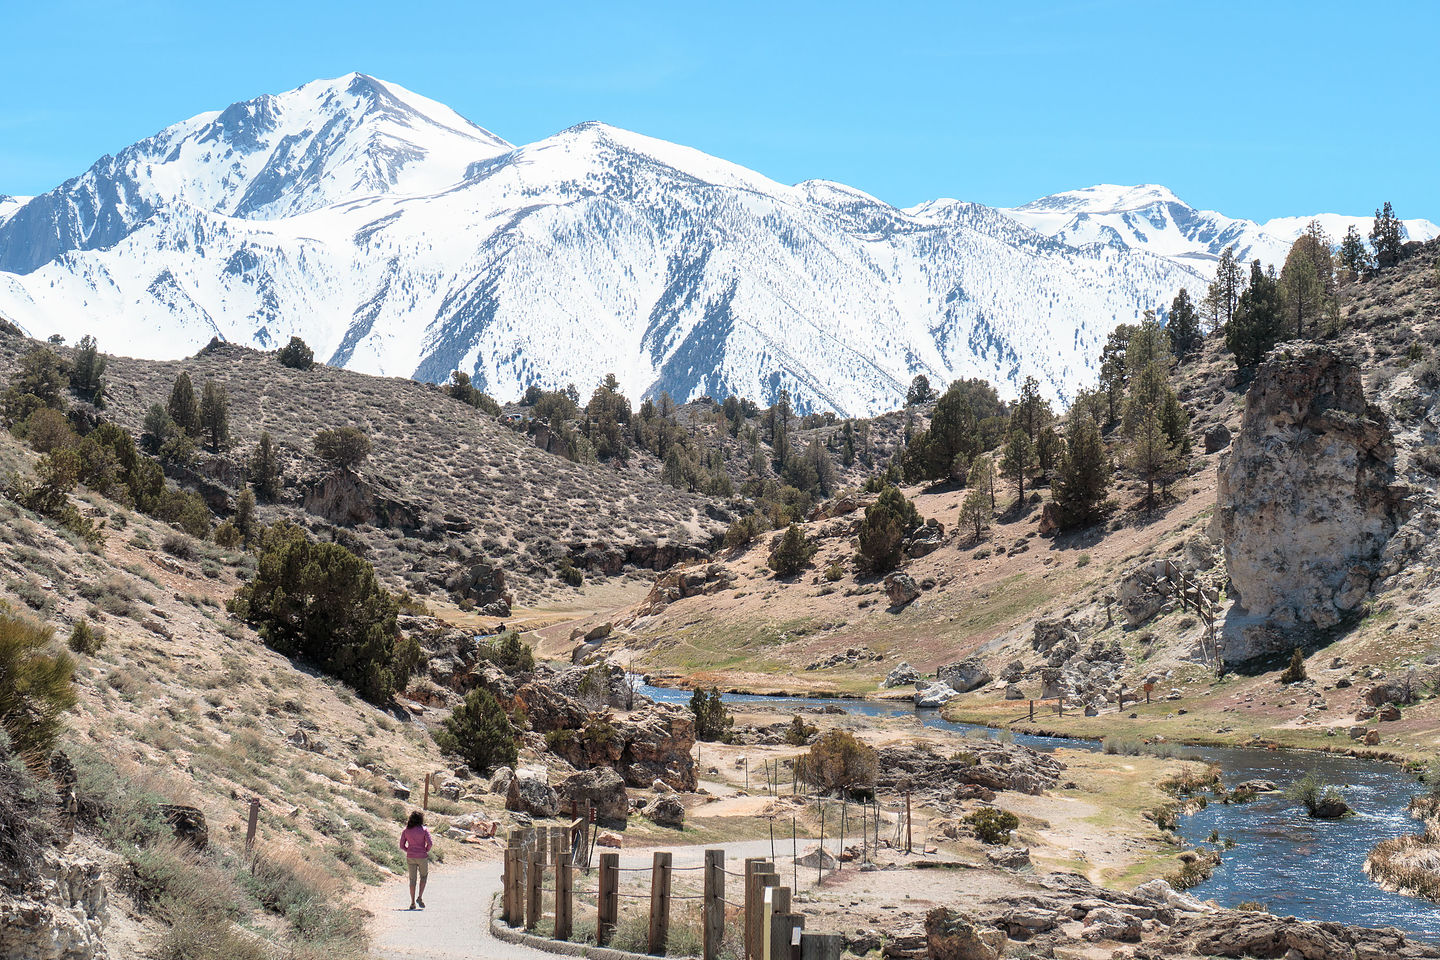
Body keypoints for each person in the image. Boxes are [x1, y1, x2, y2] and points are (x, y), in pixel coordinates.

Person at [400, 810, 433, 909]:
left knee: (412, 880)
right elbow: (430, 843)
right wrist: (425, 850)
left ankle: (412, 902)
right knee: (423, 876)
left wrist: (408, 850)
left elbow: (401, 845)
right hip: (422, 856)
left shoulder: (406, 830)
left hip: (410, 856)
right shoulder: (424, 829)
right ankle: (420, 897)